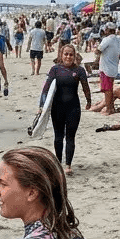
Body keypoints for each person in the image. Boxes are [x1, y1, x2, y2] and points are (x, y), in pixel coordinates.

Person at [38, 44, 91, 174]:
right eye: (66, 54)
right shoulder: (55, 69)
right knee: (58, 136)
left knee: (70, 137)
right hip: (57, 108)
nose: (68, 56)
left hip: (73, 108)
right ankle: (58, 163)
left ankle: (68, 165)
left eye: (71, 54)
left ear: (74, 56)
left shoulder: (79, 71)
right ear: (61, 55)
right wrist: (41, 106)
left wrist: (89, 101)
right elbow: (46, 89)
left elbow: (85, 87)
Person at [91, 23, 120, 114]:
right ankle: (111, 107)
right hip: (114, 67)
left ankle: (109, 109)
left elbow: (98, 51)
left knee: (107, 90)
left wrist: (95, 47)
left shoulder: (107, 39)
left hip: (106, 68)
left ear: (107, 30)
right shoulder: (118, 39)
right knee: (110, 89)